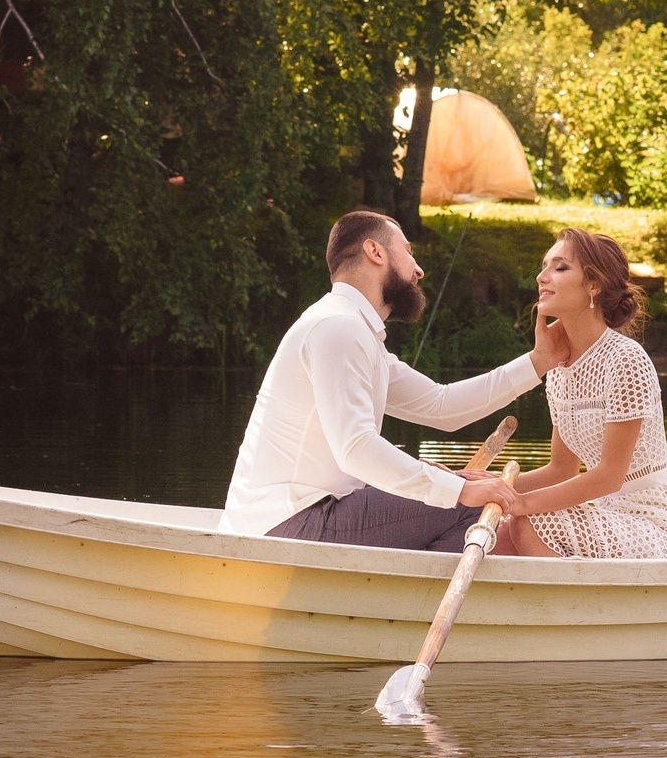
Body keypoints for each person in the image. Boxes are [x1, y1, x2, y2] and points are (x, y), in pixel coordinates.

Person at [222, 210, 572, 549]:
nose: (418, 269)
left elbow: (442, 406)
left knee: (462, 496)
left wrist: (539, 362)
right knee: (470, 502)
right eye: (407, 251)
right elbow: (356, 448)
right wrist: (459, 491)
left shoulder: (352, 331)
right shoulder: (337, 327)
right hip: (290, 524)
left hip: (303, 518)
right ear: (375, 251)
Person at [482, 229, 667, 559]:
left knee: (527, 521)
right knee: (498, 535)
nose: (541, 277)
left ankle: (569, 610)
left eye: (559, 268)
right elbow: (561, 470)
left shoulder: (625, 359)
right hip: (610, 517)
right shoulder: (559, 368)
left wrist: (521, 503)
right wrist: (481, 485)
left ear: (593, 284)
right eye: (544, 267)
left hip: (661, 522)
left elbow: (609, 477)